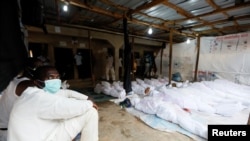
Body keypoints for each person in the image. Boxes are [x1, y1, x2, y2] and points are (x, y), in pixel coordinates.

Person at [8, 66, 99, 141]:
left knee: (65, 117)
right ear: (37, 82)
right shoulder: (39, 98)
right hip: (41, 137)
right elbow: (67, 107)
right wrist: (89, 104)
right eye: (50, 77)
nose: (55, 81)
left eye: (57, 77)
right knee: (90, 112)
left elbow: (67, 93)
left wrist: (86, 99)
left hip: (38, 135)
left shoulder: (30, 93)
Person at [0, 58, 43, 141]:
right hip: (10, 133)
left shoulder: (13, 80)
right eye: (38, 67)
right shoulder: (25, 85)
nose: (41, 69)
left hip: (5, 130)